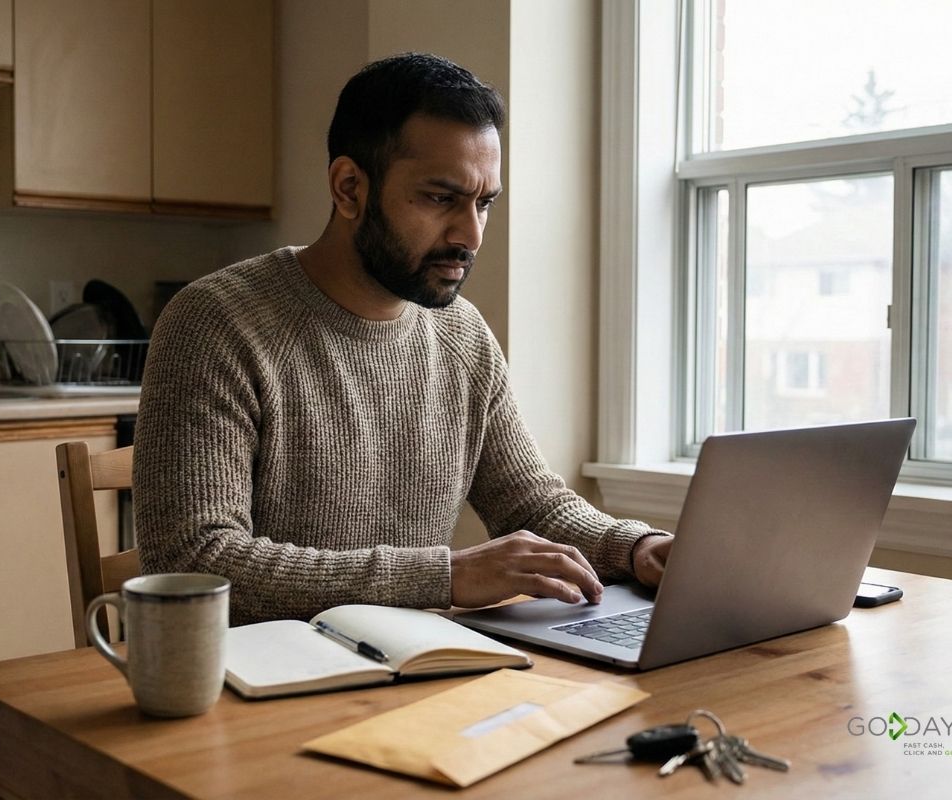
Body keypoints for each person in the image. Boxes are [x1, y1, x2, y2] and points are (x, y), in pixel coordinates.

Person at [134, 52, 673, 626]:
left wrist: (638, 549)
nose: (471, 234)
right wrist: (444, 577)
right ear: (349, 189)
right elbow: (195, 562)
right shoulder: (216, 322)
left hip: (414, 671)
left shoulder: (461, 334)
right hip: (259, 689)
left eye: (484, 202)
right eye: (441, 198)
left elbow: (530, 503)